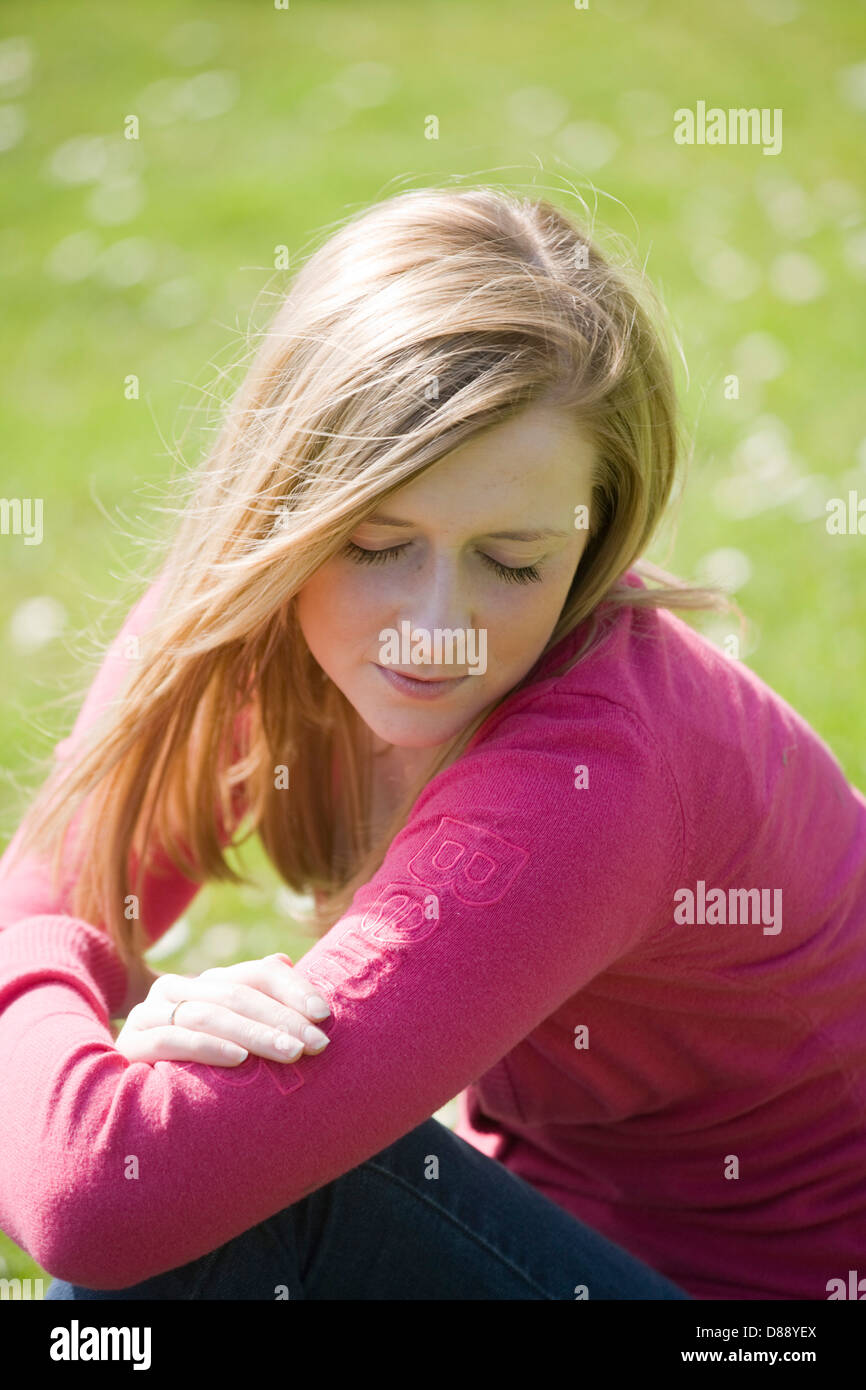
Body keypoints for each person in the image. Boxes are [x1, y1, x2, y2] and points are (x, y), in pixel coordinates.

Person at [0, 186, 863, 1301]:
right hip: (554, 1227)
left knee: (212, 1205)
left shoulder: (596, 773)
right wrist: (72, 993)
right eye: (374, 541)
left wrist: (52, 1004)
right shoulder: (243, 609)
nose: (434, 628)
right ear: (284, 503)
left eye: (512, 561)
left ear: (598, 536)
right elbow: (55, 905)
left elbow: (102, 1199)